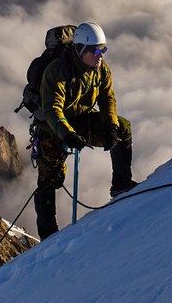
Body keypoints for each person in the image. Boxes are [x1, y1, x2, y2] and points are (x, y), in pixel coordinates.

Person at [33, 22, 137, 240]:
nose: (101, 56)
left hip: (79, 119)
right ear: (81, 50)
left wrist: (110, 125)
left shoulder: (100, 69)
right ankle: (48, 235)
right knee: (50, 180)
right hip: (53, 128)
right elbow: (52, 109)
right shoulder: (57, 71)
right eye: (96, 51)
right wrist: (67, 134)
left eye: (103, 50)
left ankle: (121, 184)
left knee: (122, 128)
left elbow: (107, 97)